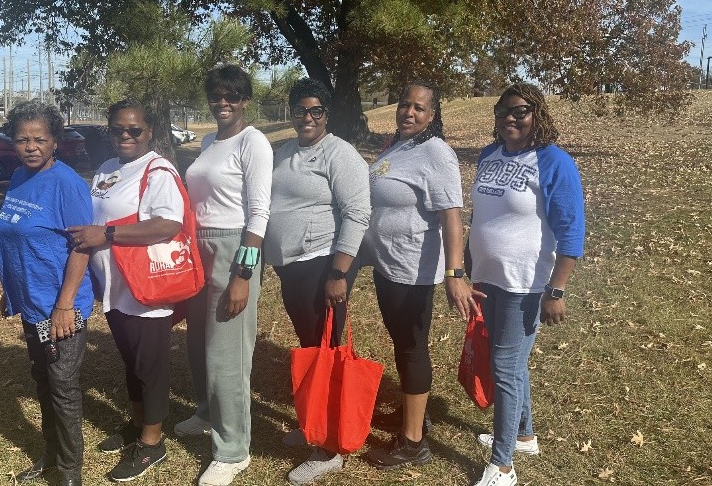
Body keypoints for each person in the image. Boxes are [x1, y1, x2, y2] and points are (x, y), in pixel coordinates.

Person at [361, 80, 484, 470]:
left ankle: (413, 442)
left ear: (432, 116)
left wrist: (455, 273)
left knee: (412, 348)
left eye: (418, 108)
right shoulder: (398, 147)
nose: (408, 112)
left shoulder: (437, 154)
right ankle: (412, 415)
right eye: (404, 104)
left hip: (412, 271)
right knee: (401, 344)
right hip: (387, 267)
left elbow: (452, 217)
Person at [468, 83, 585, 486]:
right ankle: (524, 436)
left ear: (538, 114)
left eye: (520, 111)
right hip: (488, 279)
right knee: (511, 363)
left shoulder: (554, 162)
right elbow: (483, 215)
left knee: (504, 365)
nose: (510, 118)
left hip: (527, 285)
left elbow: (571, 231)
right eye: (503, 110)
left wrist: (557, 290)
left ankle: (502, 465)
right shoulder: (489, 155)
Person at [67, 99, 185, 482]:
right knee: (132, 362)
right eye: (118, 129)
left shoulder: (158, 170)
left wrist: (109, 234)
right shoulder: (107, 169)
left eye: (134, 130)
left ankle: (153, 444)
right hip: (115, 287)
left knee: (150, 365)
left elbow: (169, 225)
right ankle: (138, 425)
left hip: (146, 287)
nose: (125, 136)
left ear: (148, 132)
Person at [262, 79, 371, 485]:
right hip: (291, 268)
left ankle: (329, 449)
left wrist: (339, 273)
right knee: (312, 350)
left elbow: (358, 213)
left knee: (327, 352)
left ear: (327, 114)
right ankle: (315, 427)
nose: (307, 117)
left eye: (316, 111)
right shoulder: (286, 152)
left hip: (323, 265)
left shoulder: (340, 154)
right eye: (299, 109)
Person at [178, 64, 273, 486]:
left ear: (245, 100)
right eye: (216, 95)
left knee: (227, 353)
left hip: (234, 248)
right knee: (198, 340)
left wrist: (243, 274)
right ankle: (206, 411)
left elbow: (259, 212)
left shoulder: (254, 143)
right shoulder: (208, 141)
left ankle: (233, 450)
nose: (222, 103)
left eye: (231, 96)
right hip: (199, 247)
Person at [0, 101, 93, 486]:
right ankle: (51, 455)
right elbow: (16, 237)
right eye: (22, 139)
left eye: (39, 139)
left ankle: (70, 472)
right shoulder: (19, 177)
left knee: (63, 386)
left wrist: (65, 305)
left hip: (63, 306)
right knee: (43, 379)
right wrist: (11, 289)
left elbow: (82, 246)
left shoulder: (67, 184)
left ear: (55, 142)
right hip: (31, 304)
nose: (30, 146)